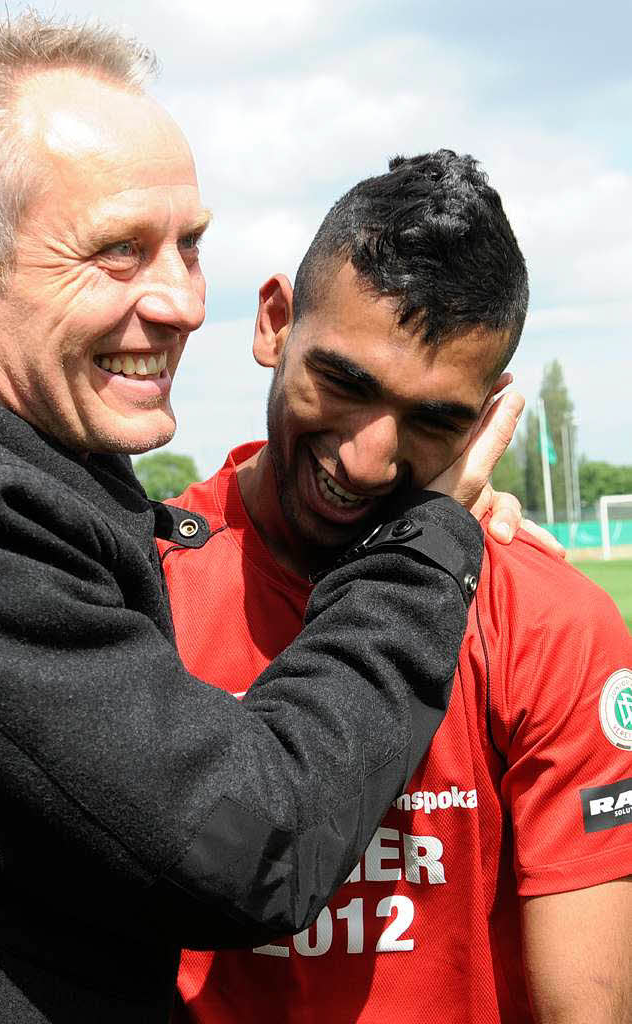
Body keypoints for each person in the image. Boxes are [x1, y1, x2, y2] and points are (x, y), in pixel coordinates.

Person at [0, 16, 527, 1024]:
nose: (178, 302)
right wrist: (427, 543)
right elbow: (243, 845)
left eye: (188, 244)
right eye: (116, 253)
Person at [167, 151, 632, 1024]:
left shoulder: (548, 620)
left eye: (434, 419)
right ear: (273, 322)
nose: (366, 458)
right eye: (344, 383)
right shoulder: (132, 585)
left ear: (487, 415)